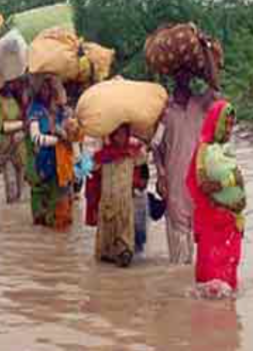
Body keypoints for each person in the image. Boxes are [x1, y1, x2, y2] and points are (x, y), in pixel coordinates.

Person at [154, 69, 220, 265]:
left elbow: (216, 87)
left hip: (198, 180)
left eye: (186, 77)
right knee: (178, 237)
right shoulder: (165, 112)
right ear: (173, 81)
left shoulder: (201, 105)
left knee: (199, 234)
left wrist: (207, 56)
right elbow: (156, 146)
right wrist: (160, 174)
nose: (183, 81)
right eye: (179, 77)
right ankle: (178, 284)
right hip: (174, 181)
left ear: (192, 80)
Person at [186, 101, 247, 298]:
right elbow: (203, 185)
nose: (229, 129)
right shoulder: (204, 149)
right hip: (212, 223)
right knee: (211, 284)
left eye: (232, 124)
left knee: (228, 286)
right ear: (215, 123)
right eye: (225, 124)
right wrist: (230, 181)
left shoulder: (224, 150)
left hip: (230, 223)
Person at [93, 124, 148, 267]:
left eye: (123, 134)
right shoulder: (103, 154)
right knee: (106, 251)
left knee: (125, 241)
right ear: (111, 135)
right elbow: (92, 166)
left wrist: (140, 143)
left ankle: (125, 253)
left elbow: (144, 158)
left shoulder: (132, 153)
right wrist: (100, 140)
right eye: (116, 134)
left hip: (125, 203)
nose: (120, 137)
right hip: (107, 202)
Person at [27, 77, 73, 229]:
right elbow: (36, 138)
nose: (47, 92)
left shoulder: (61, 110)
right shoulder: (35, 109)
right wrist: (57, 140)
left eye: (49, 88)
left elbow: (71, 133)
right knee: (44, 214)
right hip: (44, 161)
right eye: (43, 88)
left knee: (62, 206)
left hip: (62, 163)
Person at [0, 78, 27, 204]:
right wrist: (22, 124)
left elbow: (26, 118)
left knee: (22, 190)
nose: (10, 85)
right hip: (7, 147)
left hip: (21, 147)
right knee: (11, 184)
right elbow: (1, 126)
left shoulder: (18, 97)